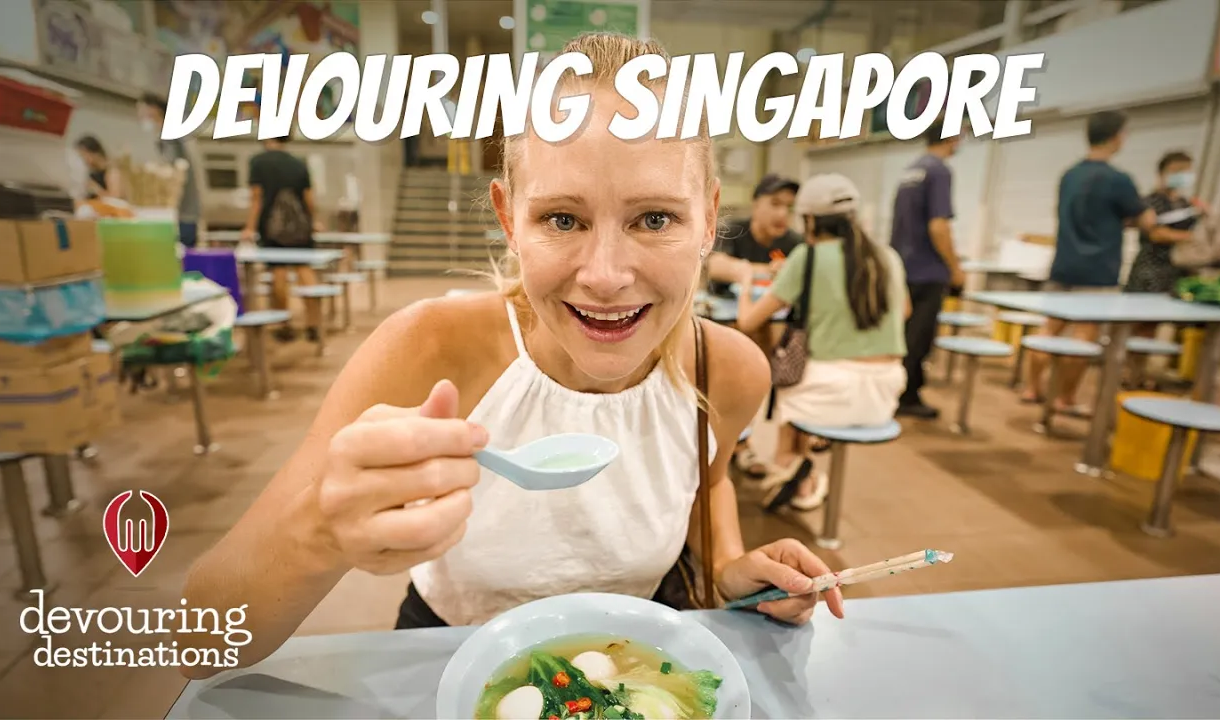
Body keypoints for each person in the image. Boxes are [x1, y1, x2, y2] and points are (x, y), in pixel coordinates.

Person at [176, 33, 845, 678]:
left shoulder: (729, 369)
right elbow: (199, 641)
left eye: (653, 218)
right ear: (509, 218)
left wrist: (729, 568)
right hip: (448, 653)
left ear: (707, 219)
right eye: (562, 219)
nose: (606, 276)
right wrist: (319, 531)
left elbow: (708, 478)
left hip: (641, 663)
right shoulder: (431, 348)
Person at [735, 174, 908, 512]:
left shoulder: (807, 257)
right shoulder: (888, 257)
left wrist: (744, 283)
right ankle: (803, 476)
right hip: (885, 394)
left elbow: (748, 321)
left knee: (792, 384)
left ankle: (794, 470)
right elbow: (903, 312)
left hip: (828, 391)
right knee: (808, 380)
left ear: (810, 219)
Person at [1022, 111, 1157, 412]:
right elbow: (1148, 221)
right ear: (1117, 136)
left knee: (1048, 330)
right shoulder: (1118, 180)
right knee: (1084, 336)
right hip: (1097, 271)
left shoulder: (1070, 175)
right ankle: (1065, 397)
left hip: (1064, 264)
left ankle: (1032, 388)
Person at [703, 174, 802, 478]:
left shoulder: (793, 243)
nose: (782, 213)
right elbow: (717, 266)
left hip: (765, 326)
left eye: (789, 206)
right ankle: (722, 444)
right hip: (722, 325)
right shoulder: (735, 231)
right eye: (774, 204)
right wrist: (755, 271)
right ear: (756, 203)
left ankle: (742, 443)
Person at [889, 120, 962, 421]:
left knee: (904, 335)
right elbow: (938, 225)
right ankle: (907, 395)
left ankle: (901, 390)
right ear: (953, 137)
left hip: (903, 266)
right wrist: (955, 267)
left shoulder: (910, 171)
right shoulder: (939, 171)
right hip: (927, 270)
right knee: (919, 338)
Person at [1121, 151, 1201, 385]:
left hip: (1174, 271)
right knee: (1140, 326)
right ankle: (1130, 373)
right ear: (1162, 172)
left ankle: (1142, 373)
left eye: (1186, 170)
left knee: (1156, 325)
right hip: (1150, 269)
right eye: (1177, 171)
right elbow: (1155, 233)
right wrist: (1190, 237)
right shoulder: (1150, 202)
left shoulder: (1186, 204)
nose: (1182, 176)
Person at [241, 134, 324, 343]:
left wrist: (250, 227)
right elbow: (309, 199)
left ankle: (283, 323)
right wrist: (314, 221)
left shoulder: (258, 162)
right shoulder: (298, 163)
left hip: (272, 227)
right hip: (301, 227)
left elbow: (256, 198)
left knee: (279, 274)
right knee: (305, 270)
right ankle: (314, 323)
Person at [137, 92, 202, 248]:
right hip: (182, 211)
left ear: (154, 109)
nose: (140, 116)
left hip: (182, 211)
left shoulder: (171, 134)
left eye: (142, 111)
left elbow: (173, 170)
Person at [74, 135, 123, 200]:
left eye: (83, 155)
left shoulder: (112, 171)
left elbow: (115, 199)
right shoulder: (92, 171)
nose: (82, 160)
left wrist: (96, 189)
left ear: (93, 153)